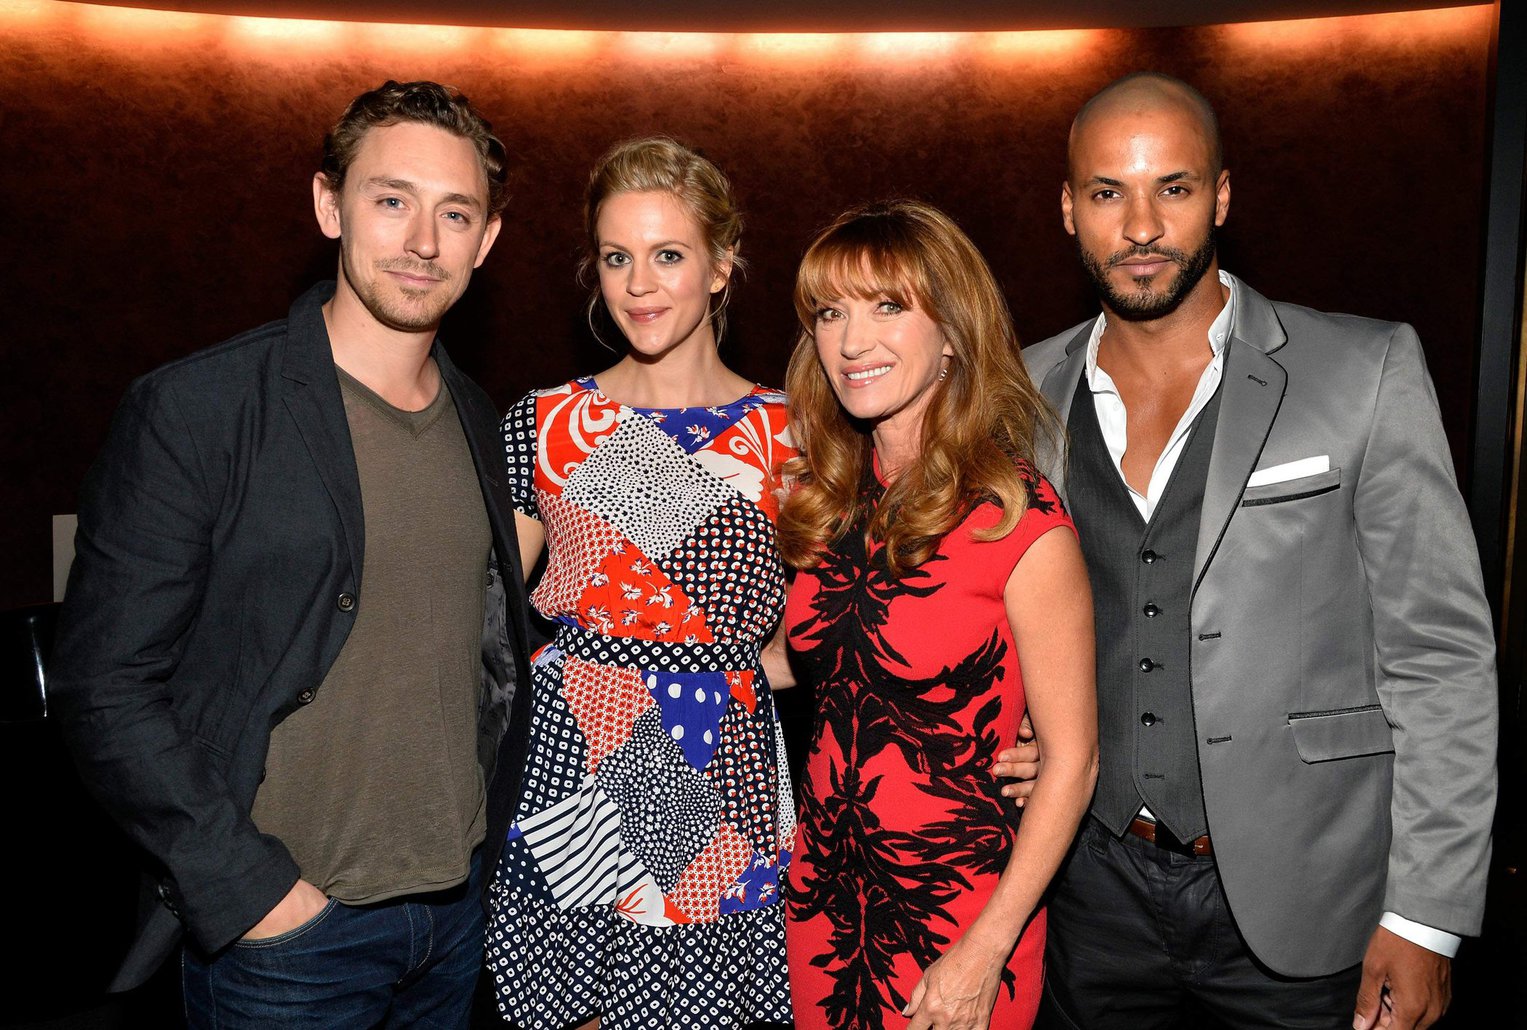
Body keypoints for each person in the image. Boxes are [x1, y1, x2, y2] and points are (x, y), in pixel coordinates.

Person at [1001, 72, 1497, 1030]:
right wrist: (1010, 729)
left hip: (1307, 889)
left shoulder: (1362, 369)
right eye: (1107, 193)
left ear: (1221, 196)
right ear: (1067, 209)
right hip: (1086, 893)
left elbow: (1438, 657)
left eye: (1173, 188)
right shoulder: (1020, 394)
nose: (1140, 226)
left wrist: (1425, 918)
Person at [48, 80, 534, 1027]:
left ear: (486, 240)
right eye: (391, 200)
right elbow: (102, 684)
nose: (423, 241)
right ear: (328, 205)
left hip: (455, 915)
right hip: (288, 937)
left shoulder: (481, 419)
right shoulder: (200, 408)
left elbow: (484, 660)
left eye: (455, 213)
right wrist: (252, 892)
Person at [484, 136, 797, 1029]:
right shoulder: (549, 423)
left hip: (723, 764)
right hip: (572, 759)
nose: (638, 285)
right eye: (617, 258)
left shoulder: (793, 433)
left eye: (667, 255)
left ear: (721, 266)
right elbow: (479, 623)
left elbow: (833, 629)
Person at [779, 199, 1099, 1030]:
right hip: (821, 900)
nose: (852, 342)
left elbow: (1071, 763)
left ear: (952, 332)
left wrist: (984, 951)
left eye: (888, 306)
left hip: (960, 912)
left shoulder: (1016, 519)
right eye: (829, 312)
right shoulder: (827, 500)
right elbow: (787, 659)